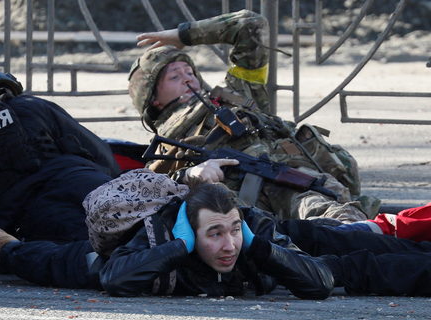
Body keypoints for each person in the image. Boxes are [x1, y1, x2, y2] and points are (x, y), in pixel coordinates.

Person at [127, 10, 380, 223]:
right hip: (243, 212)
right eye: (174, 76)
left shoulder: (238, 91)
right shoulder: (167, 143)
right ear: (154, 100)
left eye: (189, 70)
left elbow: (250, 24)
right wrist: (191, 174)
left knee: (343, 222)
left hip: (301, 181)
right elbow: (150, 191)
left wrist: (184, 35)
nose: (187, 77)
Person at [0, 70, 121, 288]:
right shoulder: (31, 106)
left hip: (35, 222)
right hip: (86, 183)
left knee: (106, 259)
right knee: (141, 230)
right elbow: (105, 159)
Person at [100, 178, 431, 297]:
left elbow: (318, 277)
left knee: (353, 239)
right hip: (288, 257)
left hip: (279, 237)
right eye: (214, 235)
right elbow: (114, 279)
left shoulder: (251, 231)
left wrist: (254, 243)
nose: (228, 245)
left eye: (231, 231)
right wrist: (180, 247)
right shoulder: (158, 238)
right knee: (362, 264)